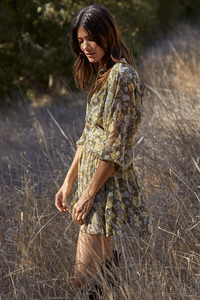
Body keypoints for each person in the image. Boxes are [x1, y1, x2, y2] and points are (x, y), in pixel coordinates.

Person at [55, 3, 151, 298]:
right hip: (90, 184)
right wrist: (68, 183)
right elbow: (88, 137)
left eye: (91, 38)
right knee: (102, 272)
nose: (86, 46)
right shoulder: (102, 77)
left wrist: (88, 195)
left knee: (83, 278)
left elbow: (116, 146)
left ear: (107, 35)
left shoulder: (122, 77)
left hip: (102, 187)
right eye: (80, 40)